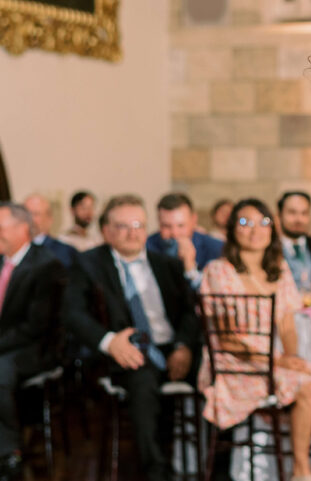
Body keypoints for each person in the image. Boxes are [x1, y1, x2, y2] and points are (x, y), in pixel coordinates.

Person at [198, 198, 311, 481]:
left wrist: (290, 359)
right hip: (233, 365)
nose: (255, 230)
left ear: (272, 229)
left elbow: (287, 325)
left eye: (263, 222)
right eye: (245, 223)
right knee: (308, 390)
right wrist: (279, 360)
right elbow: (227, 338)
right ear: (232, 229)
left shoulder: (278, 269)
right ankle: (300, 470)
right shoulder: (219, 270)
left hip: (275, 360)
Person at [65, 194, 200, 481]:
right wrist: (109, 341)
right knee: (142, 378)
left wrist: (184, 346)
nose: (133, 232)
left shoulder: (167, 264)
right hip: (125, 349)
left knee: (218, 370)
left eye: (139, 224)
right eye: (123, 226)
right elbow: (73, 313)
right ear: (107, 231)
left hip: (172, 347)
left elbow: (191, 312)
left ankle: (212, 465)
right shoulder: (89, 263)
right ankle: (157, 472)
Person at [0, 203, 67, 481]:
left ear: (22, 229)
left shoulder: (46, 266)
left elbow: (35, 326)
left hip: (34, 348)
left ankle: (8, 451)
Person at [145, 193, 223, 290]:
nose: (174, 233)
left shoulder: (216, 248)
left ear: (193, 220)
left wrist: (190, 266)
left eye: (181, 225)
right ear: (159, 222)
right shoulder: (146, 247)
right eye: (166, 226)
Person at [277, 192, 311, 291]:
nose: (299, 219)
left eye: (304, 213)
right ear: (280, 214)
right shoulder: (269, 248)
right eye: (292, 212)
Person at [22, 193, 78, 268]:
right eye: (26, 213)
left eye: (35, 214)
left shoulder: (65, 252)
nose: (30, 219)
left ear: (49, 219)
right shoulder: (11, 250)